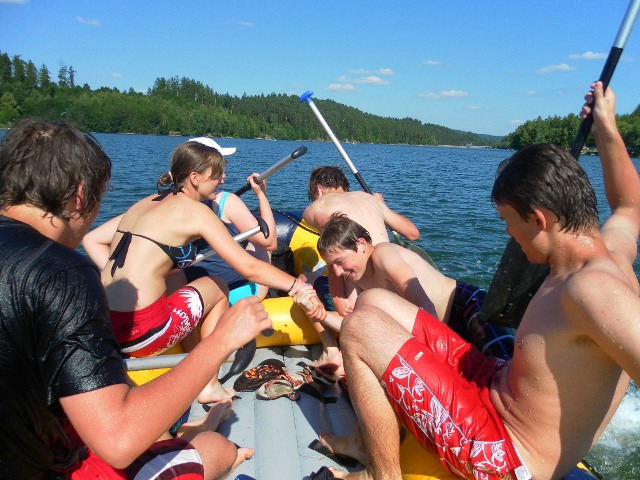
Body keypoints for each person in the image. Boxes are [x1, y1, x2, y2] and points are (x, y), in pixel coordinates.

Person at [323, 82, 640, 480]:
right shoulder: (611, 251)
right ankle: (361, 439)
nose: (508, 233)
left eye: (508, 221)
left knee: (358, 327)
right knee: (375, 303)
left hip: (505, 452)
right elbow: (629, 206)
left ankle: (380, 475)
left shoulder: (593, 289)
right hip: (492, 384)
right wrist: (607, 128)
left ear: (538, 219)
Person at [0, 118, 263, 479]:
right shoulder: (63, 274)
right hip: (51, 466)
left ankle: (202, 423)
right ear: (80, 195)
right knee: (216, 451)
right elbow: (117, 441)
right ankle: (216, 437)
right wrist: (221, 342)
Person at [86, 139, 324, 405]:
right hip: (144, 334)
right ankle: (208, 383)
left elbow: (94, 240)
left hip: (109, 325)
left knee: (175, 275)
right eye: (216, 175)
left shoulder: (145, 203)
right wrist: (298, 287)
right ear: (195, 178)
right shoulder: (197, 212)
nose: (222, 180)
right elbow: (249, 267)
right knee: (217, 285)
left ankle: (191, 361)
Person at [83, 137, 277, 305]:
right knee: (260, 249)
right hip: (224, 288)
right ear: (197, 175)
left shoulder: (160, 203)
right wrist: (262, 194)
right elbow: (269, 242)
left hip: (184, 285)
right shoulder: (225, 201)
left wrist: (123, 277)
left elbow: (92, 239)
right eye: (220, 167)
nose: (224, 176)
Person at [309, 212, 514, 359]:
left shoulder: (383, 255)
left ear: (361, 244)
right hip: (443, 328)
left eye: (340, 262)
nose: (337, 272)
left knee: (507, 366)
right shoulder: (355, 277)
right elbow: (355, 323)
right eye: (332, 265)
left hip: (467, 305)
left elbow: (424, 304)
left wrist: (435, 357)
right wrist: (320, 314)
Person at [300, 166, 421, 374]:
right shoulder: (370, 199)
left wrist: (338, 297)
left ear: (318, 189)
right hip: (389, 276)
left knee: (302, 282)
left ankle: (330, 349)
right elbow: (412, 233)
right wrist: (381, 206)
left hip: (360, 286)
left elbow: (335, 251)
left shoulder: (316, 208)